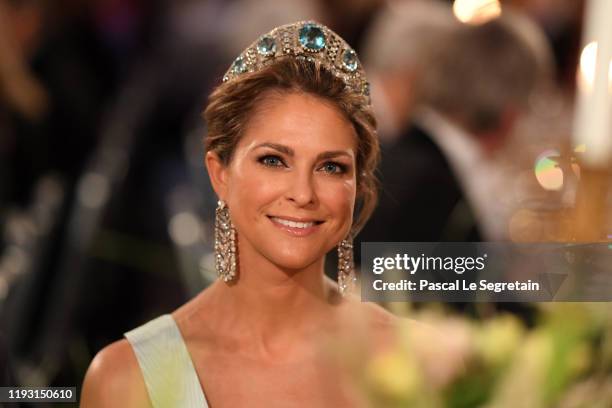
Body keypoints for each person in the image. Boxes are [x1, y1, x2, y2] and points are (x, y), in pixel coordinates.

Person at [80, 21, 398, 407]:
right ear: (220, 174)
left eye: (331, 167)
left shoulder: (409, 360)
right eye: (274, 160)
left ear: (358, 185)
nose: (303, 194)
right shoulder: (129, 377)